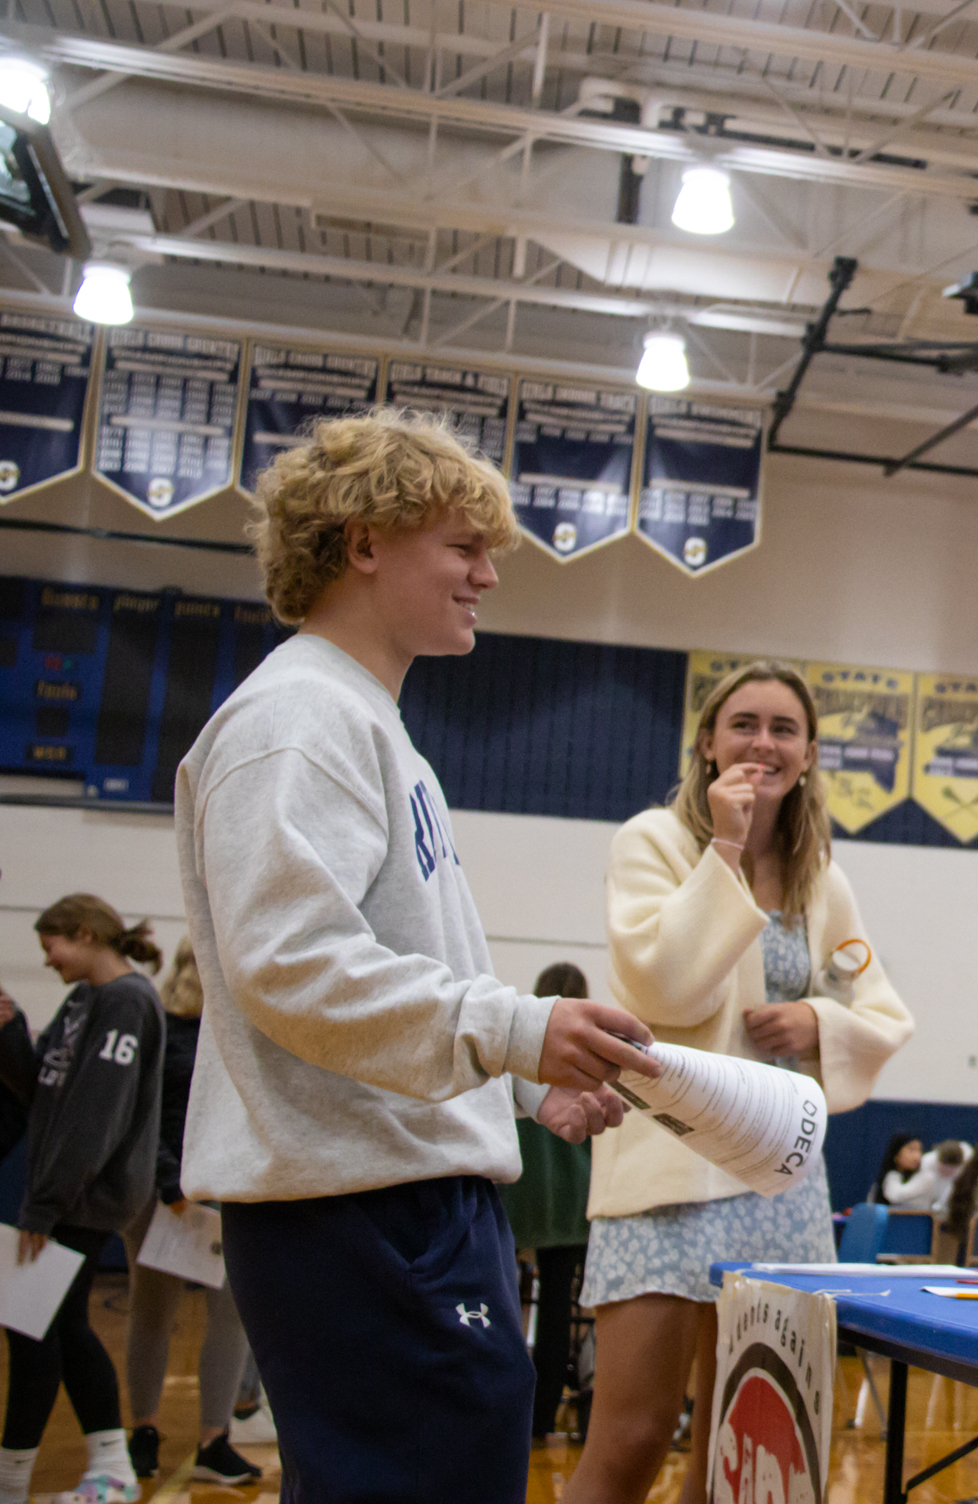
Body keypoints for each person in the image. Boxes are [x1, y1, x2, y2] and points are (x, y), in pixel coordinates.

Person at [175, 407, 653, 1504]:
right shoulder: (300, 717)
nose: (488, 574)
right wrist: (520, 1028)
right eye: (463, 546)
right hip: (361, 1208)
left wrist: (529, 1085)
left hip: (398, 1195)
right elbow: (289, 963)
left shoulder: (370, 726)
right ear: (363, 542)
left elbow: (392, 963)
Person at [572, 660, 913, 1504]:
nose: (763, 742)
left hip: (777, 1179)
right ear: (707, 742)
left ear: (809, 755)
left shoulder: (821, 881)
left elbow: (873, 1001)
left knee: (742, 1443)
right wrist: (725, 844)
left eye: (784, 729)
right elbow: (663, 989)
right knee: (633, 1436)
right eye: (745, 724)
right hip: (666, 1166)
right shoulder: (651, 841)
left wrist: (819, 1022)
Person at [0, 895, 166, 1504]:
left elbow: (97, 1117)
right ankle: (110, 1467)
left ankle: (15, 1481)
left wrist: (45, 1202)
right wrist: (11, 1029)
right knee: (57, 1327)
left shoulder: (127, 1001)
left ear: (84, 933)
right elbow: (39, 1089)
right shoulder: (81, 1001)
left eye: (51, 947)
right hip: (64, 1193)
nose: (47, 961)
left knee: (34, 1328)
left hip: (84, 1197)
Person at [122, 939, 260, 1488]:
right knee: (151, 1312)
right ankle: (144, 1431)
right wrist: (168, 1182)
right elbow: (139, 1112)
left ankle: (213, 1439)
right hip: (165, 1196)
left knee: (232, 1319)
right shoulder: (162, 1027)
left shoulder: (241, 1031)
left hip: (227, 1198)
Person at [498, 962, 600, 1441]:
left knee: (507, 1305)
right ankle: (542, 1419)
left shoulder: (522, 1049)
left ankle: (507, 1410)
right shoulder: (591, 1059)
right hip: (570, 1205)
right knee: (559, 1311)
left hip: (517, 1198)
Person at [869, 1133, 930, 1204]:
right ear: (896, 1155)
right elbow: (894, 1196)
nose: (917, 1156)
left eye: (919, 1150)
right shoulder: (891, 1177)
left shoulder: (924, 1178)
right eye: (911, 1150)